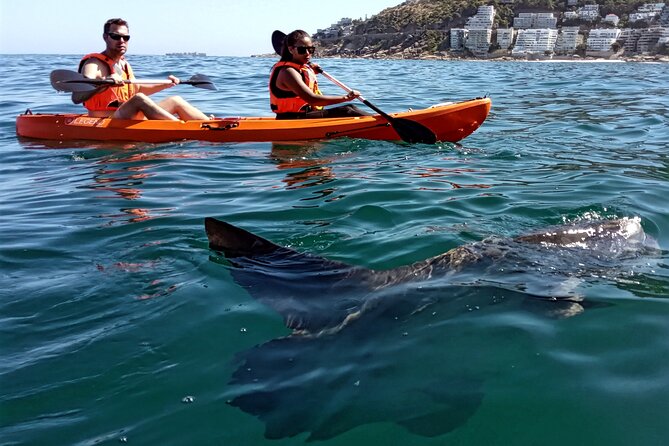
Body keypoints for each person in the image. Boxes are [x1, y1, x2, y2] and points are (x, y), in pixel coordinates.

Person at [79, 18, 210, 121]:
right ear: (105, 37)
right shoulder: (94, 64)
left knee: (175, 100)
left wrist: (165, 85)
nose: (121, 41)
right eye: (116, 36)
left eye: (126, 37)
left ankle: (207, 125)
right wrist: (104, 82)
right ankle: (183, 130)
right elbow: (78, 95)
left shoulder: (124, 64)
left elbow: (138, 89)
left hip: (126, 115)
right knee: (138, 99)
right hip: (105, 120)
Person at [270, 30, 370, 119]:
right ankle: (379, 124)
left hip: (306, 115)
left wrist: (310, 69)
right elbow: (312, 99)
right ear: (291, 49)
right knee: (347, 110)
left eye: (311, 49)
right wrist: (346, 98)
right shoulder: (288, 72)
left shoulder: (300, 68)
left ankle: (376, 121)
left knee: (351, 108)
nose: (308, 53)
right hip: (292, 119)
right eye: (302, 50)